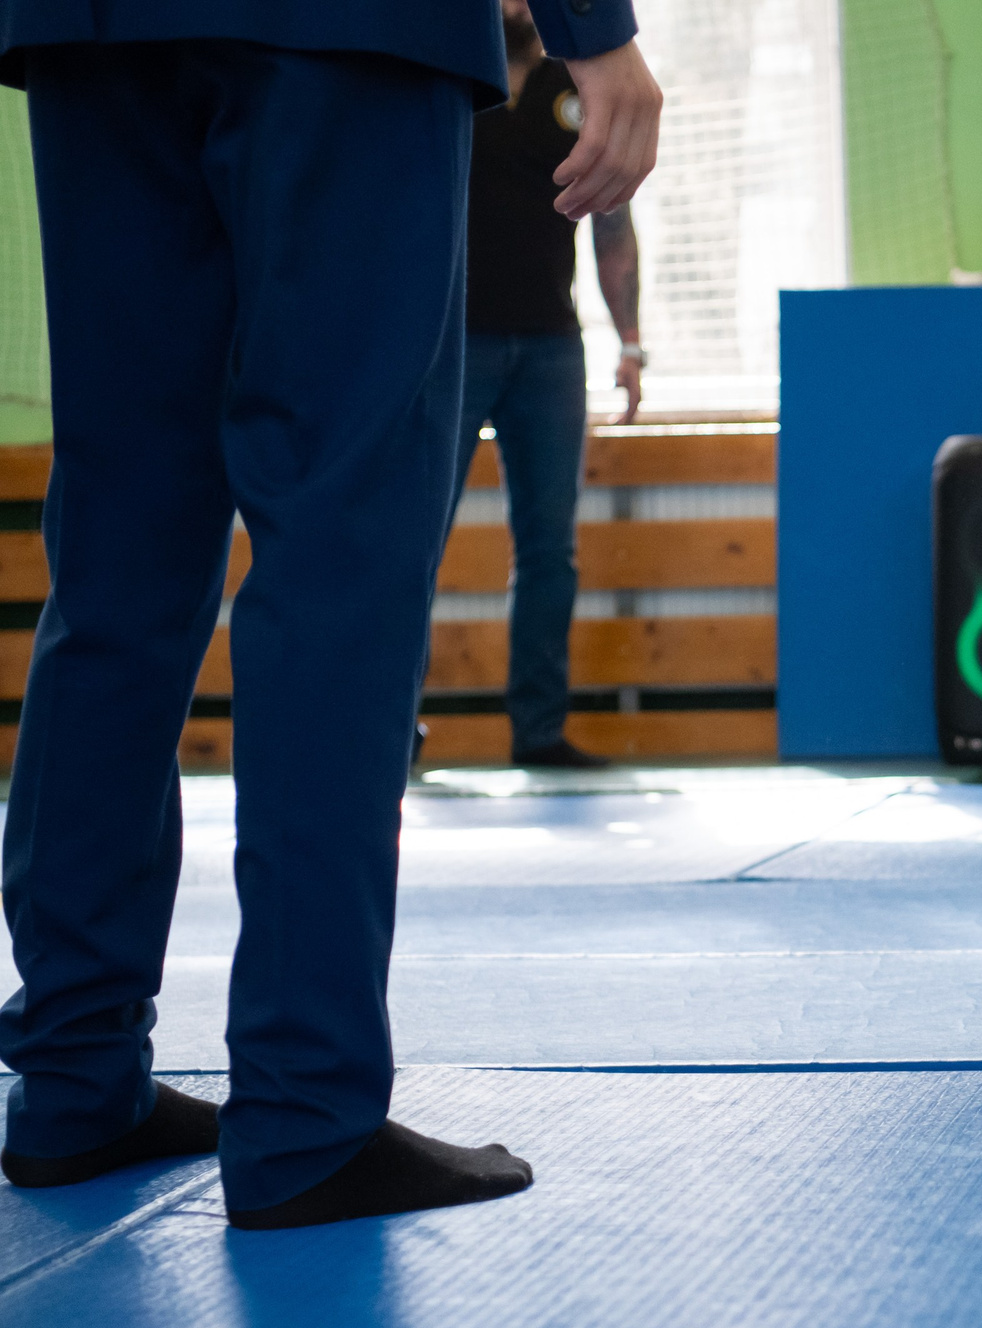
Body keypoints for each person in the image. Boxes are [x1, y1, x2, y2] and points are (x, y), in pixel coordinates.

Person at [0, 3, 659, 1227]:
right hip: (346, 27)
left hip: (90, 28)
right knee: (339, 543)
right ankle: (307, 1111)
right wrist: (592, 26)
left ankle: (72, 1079)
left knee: (120, 547)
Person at [435, 0, 651, 773]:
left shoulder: (581, 77)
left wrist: (630, 341)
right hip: (451, 345)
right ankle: (390, 730)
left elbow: (614, 226)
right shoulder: (450, 72)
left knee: (549, 554)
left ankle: (538, 733)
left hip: (554, 350)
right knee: (412, 542)